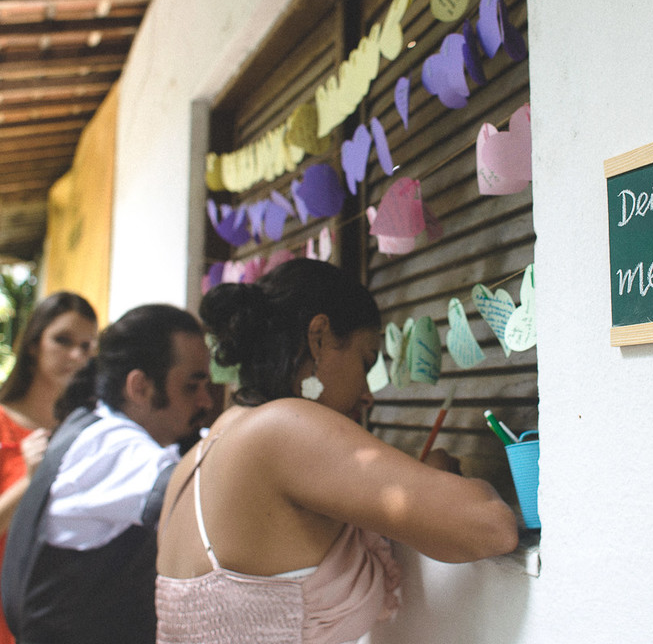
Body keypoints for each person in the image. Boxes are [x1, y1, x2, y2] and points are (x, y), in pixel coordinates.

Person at [155, 259, 518, 644]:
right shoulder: (282, 427)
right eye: (365, 361)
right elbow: (490, 525)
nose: (368, 394)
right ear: (319, 337)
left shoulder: (199, 456)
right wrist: (438, 480)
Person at [1, 303, 216, 644]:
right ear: (140, 387)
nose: (206, 401)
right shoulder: (109, 446)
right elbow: (199, 501)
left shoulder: (96, 424)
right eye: (192, 386)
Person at [0, 291, 98, 644]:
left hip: (66, 615)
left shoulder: (90, 430)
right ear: (33, 344)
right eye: (63, 340)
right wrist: (30, 483)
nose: (77, 355)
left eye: (88, 347)